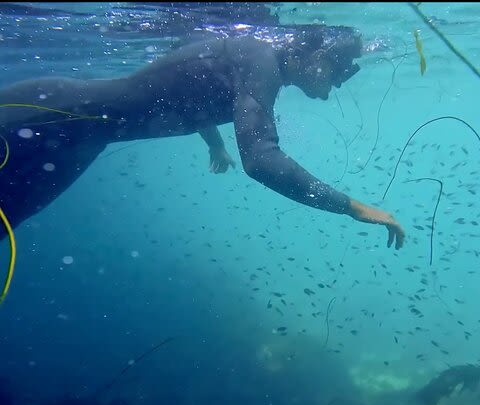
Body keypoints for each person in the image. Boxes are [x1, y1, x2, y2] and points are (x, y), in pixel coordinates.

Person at [0, 25, 405, 249]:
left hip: (77, 141)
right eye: (342, 66)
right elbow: (261, 160)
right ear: (312, 53)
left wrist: (214, 143)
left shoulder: (258, 65)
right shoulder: (260, 62)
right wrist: (353, 207)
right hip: (48, 114)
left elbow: (186, 89)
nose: (340, 80)